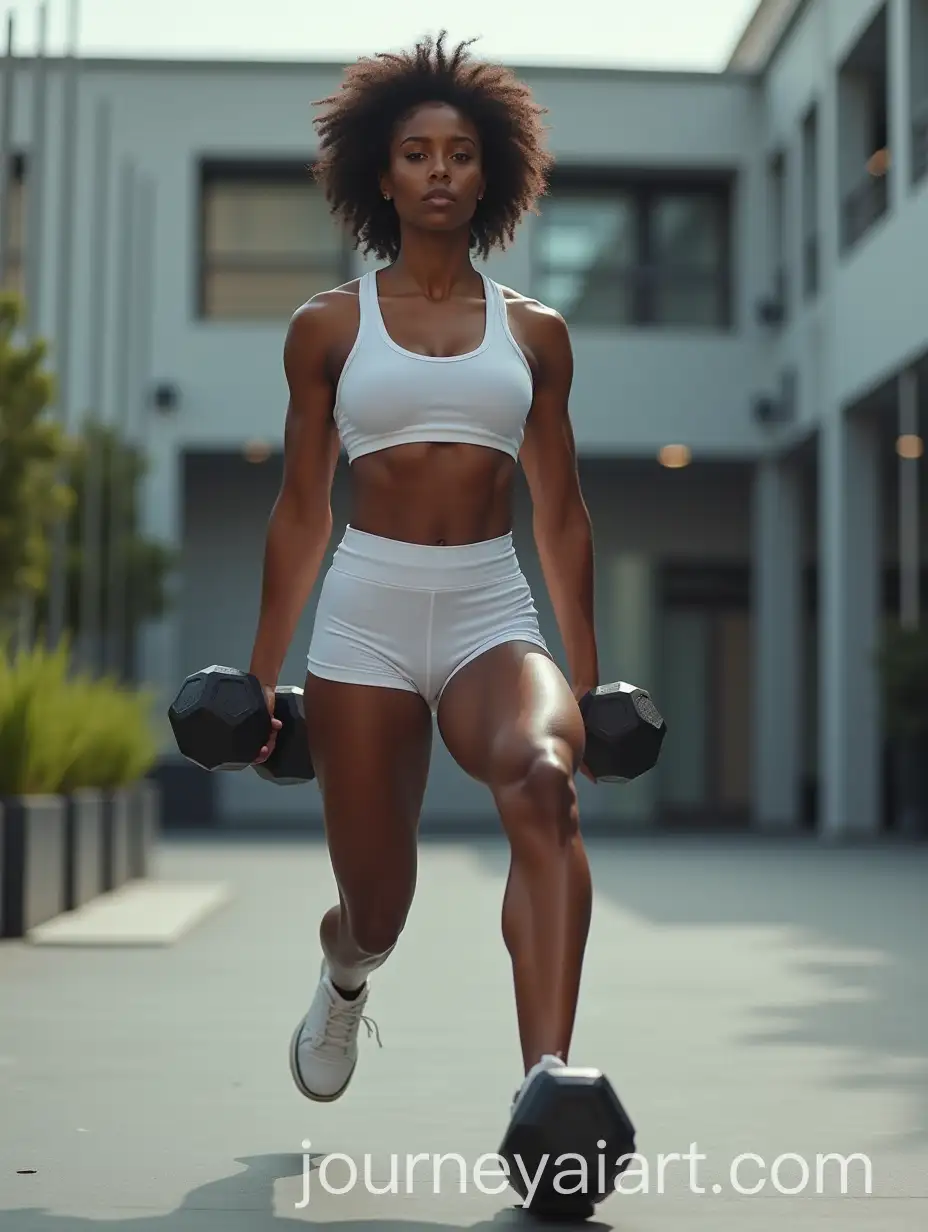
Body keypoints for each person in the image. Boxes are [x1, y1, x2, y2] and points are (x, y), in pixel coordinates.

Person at [247, 31, 601, 1119]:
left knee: (545, 784)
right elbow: (305, 508)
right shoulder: (328, 327)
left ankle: (547, 1087)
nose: (439, 170)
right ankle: (345, 974)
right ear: (380, 173)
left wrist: (588, 680)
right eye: (415, 153)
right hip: (368, 616)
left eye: (458, 152)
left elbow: (560, 511)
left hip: (493, 607)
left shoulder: (534, 334)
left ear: (492, 170)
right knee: (378, 907)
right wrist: (260, 679)